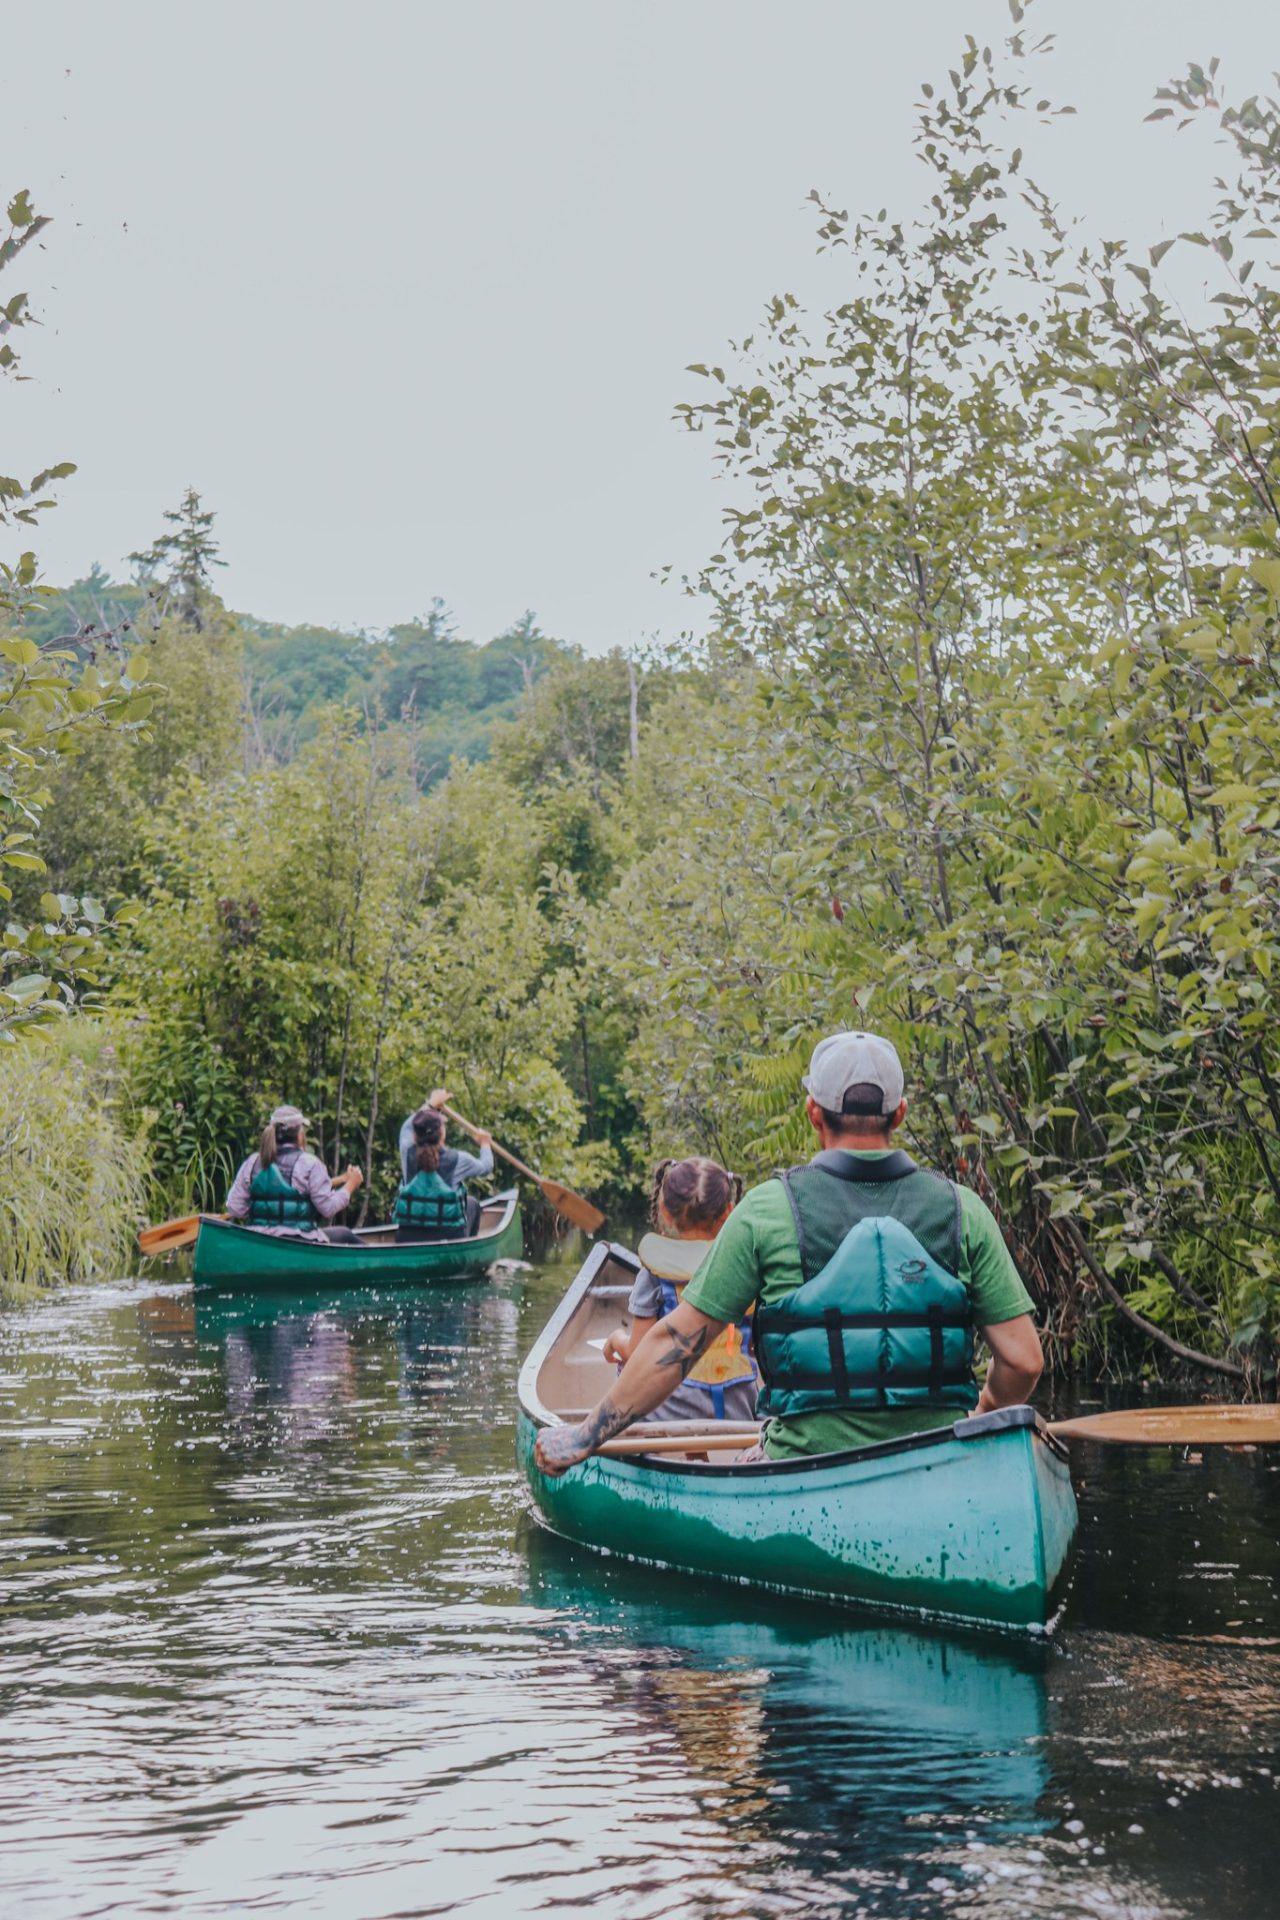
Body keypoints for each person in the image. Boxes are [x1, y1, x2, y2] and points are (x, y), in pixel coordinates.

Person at [536, 1031, 1044, 1475]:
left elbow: (675, 1346)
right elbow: (1022, 1361)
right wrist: (985, 1414)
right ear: (900, 1114)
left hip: (804, 1462)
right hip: (937, 1455)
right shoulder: (964, 1210)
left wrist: (584, 1436)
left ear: (813, 1114)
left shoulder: (766, 1212)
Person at [602, 1157, 755, 1424]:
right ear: (729, 1211)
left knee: (627, 1367)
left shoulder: (654, 1271)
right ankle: (701, 1455)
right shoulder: (745, 1265)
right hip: (738, 1407)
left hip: (672, 1411)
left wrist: (616, 1339)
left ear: (665, 1210)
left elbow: (638, 1352)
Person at [225, 1105, 364, 1241]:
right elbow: (328, 1208)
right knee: (345, 1234)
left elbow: (235, 1208)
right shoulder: (309, 1163)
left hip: (258, 1239)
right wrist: (351, 1185)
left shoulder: (252, 1162)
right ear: (299, 1134)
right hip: (299, 1240)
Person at [397, 1087, 494, 1233]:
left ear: (416, 1134)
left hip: (408, 1236)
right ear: (442, 1133)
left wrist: (430, 1105)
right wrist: (485, 1144)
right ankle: (468, 1251)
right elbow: (486, 1167)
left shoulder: (407, 1149)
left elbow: (408, 1126)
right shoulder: (459, 1159)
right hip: (447, 1238)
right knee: (472, 1204)